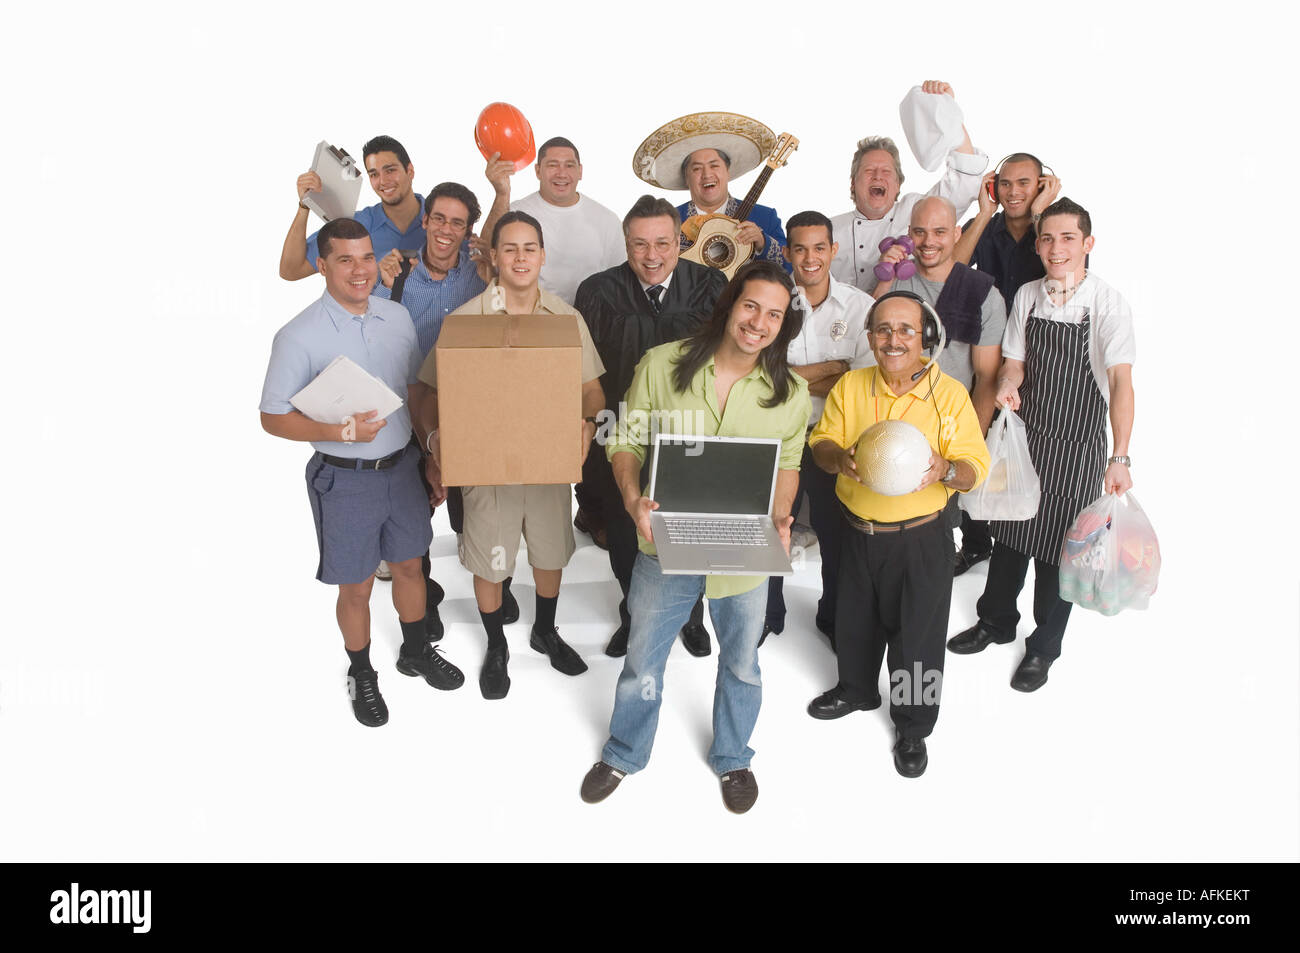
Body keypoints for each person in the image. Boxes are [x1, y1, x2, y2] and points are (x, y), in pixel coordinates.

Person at [579, 261, 811, 814]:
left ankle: (733, 757)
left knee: (742, 662)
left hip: (746, 549)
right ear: (730, 304)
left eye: (774, 314)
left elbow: (790, 461)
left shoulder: (792, 393)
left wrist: (781, 516)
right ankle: (624, 750)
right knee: (642, 659)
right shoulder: (662, 366)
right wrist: (633, 498)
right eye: (751, 305)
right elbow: (625, 442)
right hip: (665, 541)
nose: (759, 322)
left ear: (784, 324)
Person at [259, 218, 466, 727]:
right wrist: (338, 432)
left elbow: (414, 393)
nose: (359, 270)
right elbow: (271, 416)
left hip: (404, 470)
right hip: (345, 479)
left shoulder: (396, 318)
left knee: (412, 566)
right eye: (345, 260)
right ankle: (362, 672)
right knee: (354, 587)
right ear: (323, 264)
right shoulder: (297, 336)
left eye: (367, 257)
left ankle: (415, 651)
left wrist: (432, 457)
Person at [413, 211, 607, 701]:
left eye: (530, 248)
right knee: (490, 563)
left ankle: (545, 631)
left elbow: (592, 392)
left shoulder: (566, 321)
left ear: (542, 256)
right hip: (486, 469)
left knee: (550, 554)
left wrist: (586, 426)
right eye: (510, 249)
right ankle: (496, 644)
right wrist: (436, 444)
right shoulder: (465, 321)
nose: (520, 258)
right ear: (494, 256)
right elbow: (426, 393)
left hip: (545, 466)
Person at [947, 198, 1136, 692]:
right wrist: (1009, 382)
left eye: (1068, 238)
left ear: (1088, 244)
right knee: (1010, 528)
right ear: (1038, 244)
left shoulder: (1107, 303)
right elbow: (1013, 362)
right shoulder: (1029, 295)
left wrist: (1120, 455)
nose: (1056, 248)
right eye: (1047, 239)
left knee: (1061, 546)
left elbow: (1120, 383)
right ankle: (995, 621)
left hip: (1078, 444)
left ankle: (1044, 648)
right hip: (1028, 434)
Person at [806, 291, 990, 778]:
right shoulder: (851, 386)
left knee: (918, 639)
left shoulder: (948, 394)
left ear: (925, 337)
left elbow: (976, 467)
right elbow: (822, 440)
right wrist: (838, 459)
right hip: (857, 531)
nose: (894, 339)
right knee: (853, 622)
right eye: (883, 329)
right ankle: (856, 689)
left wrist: (947, 470)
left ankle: (914, 725)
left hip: (921, 539)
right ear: (869, 337)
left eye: (906, 329)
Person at [575, 195, 727, 659]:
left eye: (663, 242)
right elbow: (587, 370)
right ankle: (633, 612)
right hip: (622, 431)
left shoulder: (710, 285)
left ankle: (690, 615)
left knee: (691, 529)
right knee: (625, 530)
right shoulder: (598, 291)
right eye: (639, 244)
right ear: (625, 243)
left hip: (692, 432)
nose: (652, 255)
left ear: (680, 242)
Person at [874, 196, 1006, 575]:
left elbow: (984, 378)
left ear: (957, 234)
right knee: (881, 530)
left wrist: (969, 445)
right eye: (919, 232)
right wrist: (886, 275)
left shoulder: (983, 293)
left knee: (933, 546)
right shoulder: (896, 280)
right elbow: (868, 341)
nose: (928, 241)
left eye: (939, 232)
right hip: (888, 421)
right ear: (908, 234)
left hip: (944, 432)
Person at [764, 210, 874, 647]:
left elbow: (863, 382)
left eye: (819, 247)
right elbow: (762, 377)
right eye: (801, 248)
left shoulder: (860, 307)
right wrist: (831, 367)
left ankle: (833, 616)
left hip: (835, 437)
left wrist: (793, 373)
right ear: (787, 252)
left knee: (837, 534)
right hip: (779, 437)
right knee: (773, 525)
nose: (810, 258)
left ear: (834, 250)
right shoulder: (771, 303)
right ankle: (768, 613)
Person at [829, 81, 987, 293]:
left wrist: (947, 113)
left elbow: (964, 181)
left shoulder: (916, 211)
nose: (878, 176)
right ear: (852, 183)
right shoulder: (829, 230)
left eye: (886, 172)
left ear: (898, 184)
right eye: (868, 171)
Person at [479, 136, 624, 305]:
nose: (561, 173)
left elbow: (621, 281)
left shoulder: (607, 220)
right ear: (538, 171)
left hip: (591, 321)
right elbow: (487, 252)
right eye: (552, 165)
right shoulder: (516, 212)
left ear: (580, 171)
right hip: (530, 319)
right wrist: (502, 193)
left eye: (569, 165)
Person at [279, 135, 426, 282]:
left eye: (390, 170)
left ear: (410, 171)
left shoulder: (440, 219)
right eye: (374, 174)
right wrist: (304, 205)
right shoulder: (354, 227)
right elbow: (291, 270)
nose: (383, 181)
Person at [957, 153, 1063, 311]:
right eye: (1005, 184)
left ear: (1041, 188)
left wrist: (1038, 212)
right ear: (994, 188)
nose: (1013, 192)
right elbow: (946, 274)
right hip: (989, 332)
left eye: (1023, 183)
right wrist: (984, 214)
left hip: (1040, 331)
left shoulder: (1064, 231)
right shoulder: (981, 226)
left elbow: (1068, 286)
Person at [677, 148, 787, 269]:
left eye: (714, 166)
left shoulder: (765, 217)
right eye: (697, 169)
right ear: (687, 178)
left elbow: (790, 266)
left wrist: (763, 243)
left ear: (727, 172)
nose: (707, 175)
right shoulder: (669, 220)